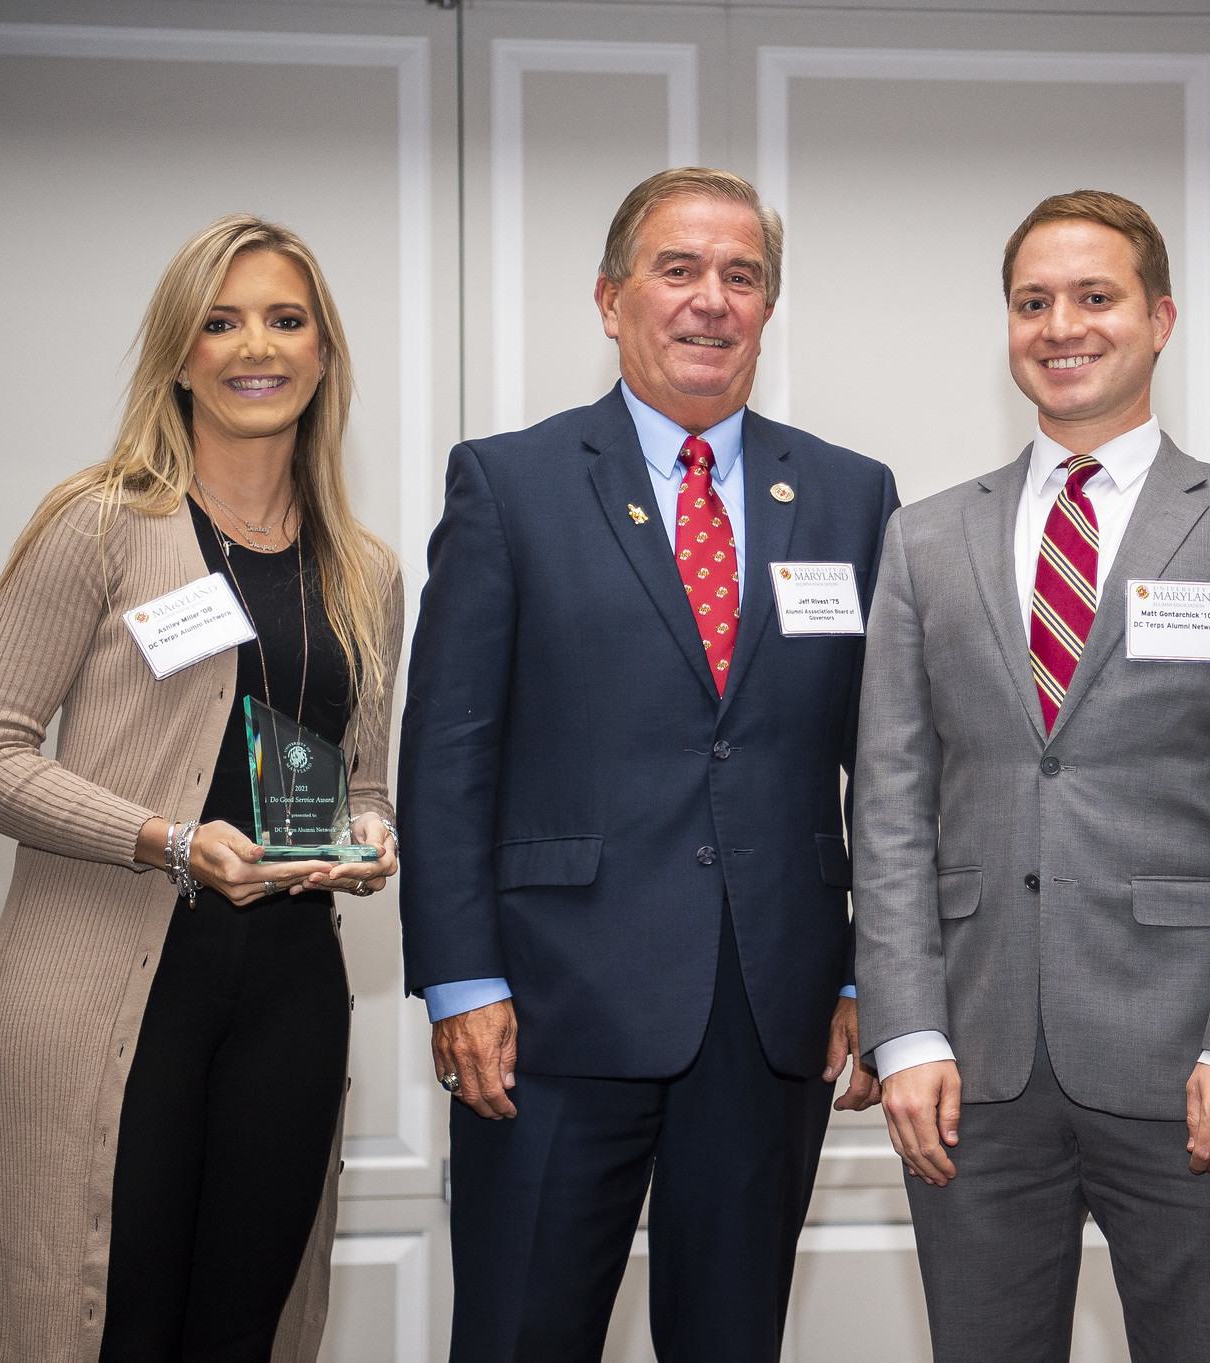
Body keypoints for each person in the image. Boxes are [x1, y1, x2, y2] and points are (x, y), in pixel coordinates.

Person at [397, 166, 898, 1363]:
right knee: (521, 1334)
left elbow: (887, 768)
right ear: (609, 297)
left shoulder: (849, 495)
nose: (710, 300)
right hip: (547, 1006)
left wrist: (869, 971)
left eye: (741, 276)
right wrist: (460, 981)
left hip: (769, 1008)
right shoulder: (508, 483)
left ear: (767, 307)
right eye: (678, 270)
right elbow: (447, 754)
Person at [851, 189, 1210, 1362]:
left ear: (1158, 318)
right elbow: (887, 806)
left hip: (1192, 1070)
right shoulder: (924, 539)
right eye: (1032, 302)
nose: (1060, 325)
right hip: (971, 1072)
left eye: (1093, 296)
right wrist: (905, 1033)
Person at [0, 214, 403, 1363]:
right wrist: (165, 838)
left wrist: (368, 830)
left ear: (324, 353)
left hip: (289, 989)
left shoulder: (366, 569)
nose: (257, 346)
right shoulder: (98, 523)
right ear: (179, 356)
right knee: (109, 1319)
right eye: (221, 322)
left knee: (244, 1324)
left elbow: (367, 777)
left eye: (286, 320)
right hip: (112, 982)